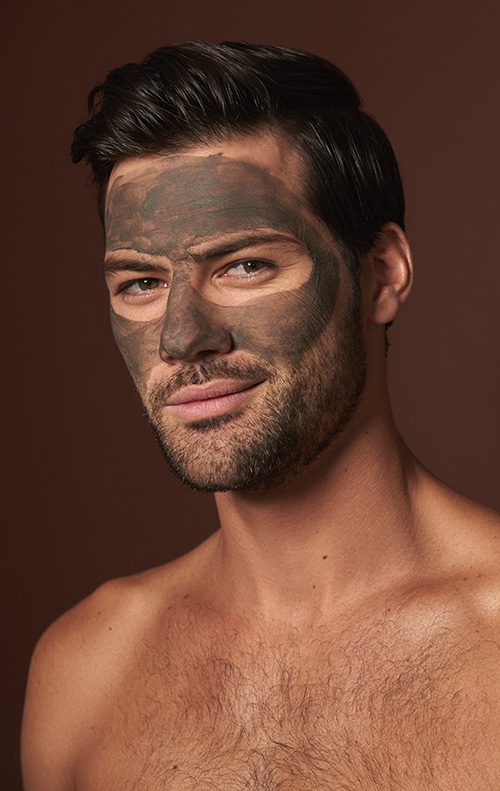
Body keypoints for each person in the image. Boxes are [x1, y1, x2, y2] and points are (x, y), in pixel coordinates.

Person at [22, 41, 500, 789]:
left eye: (244, 264)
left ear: (382, 275)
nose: (181, 337)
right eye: (140, 282)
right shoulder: (84, 673)